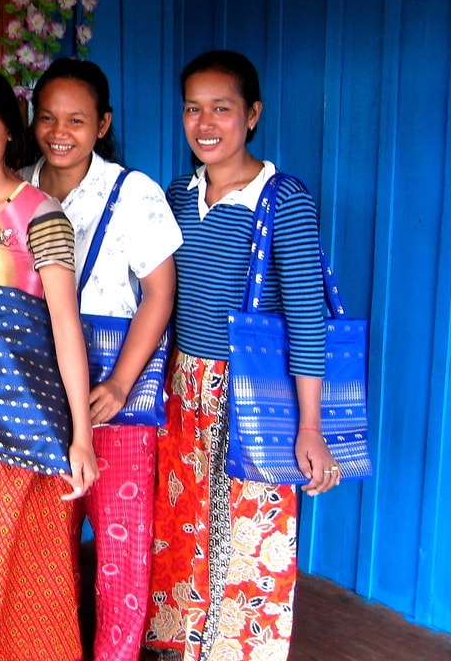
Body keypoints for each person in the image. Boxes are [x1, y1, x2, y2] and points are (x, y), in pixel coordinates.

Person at [144, 50, 341, 661]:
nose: (206, 123)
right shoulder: (177, 196)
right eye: (193, 109)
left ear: (251, 115)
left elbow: (308, 318)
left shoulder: (284, 200)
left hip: (252, 395)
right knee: (184, 532)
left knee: (248, 538)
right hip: (182, 388)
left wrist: (311, 426)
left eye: (222, 108)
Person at [19, 58, 180, 661]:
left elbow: (161, 293)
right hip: (38, 394)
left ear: (103, 123)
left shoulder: (133, 192)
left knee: (121, 554)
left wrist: (119, 382)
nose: (60, 132)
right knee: (45, 553)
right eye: (48, 118)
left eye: (78, 120)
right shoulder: (18, 189)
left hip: (118, 399)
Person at [0, 70, 99, 661]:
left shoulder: (42, 215)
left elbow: (65, 326)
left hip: (29, 420)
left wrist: (81, 437)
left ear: (9, 131)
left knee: (31, 569)